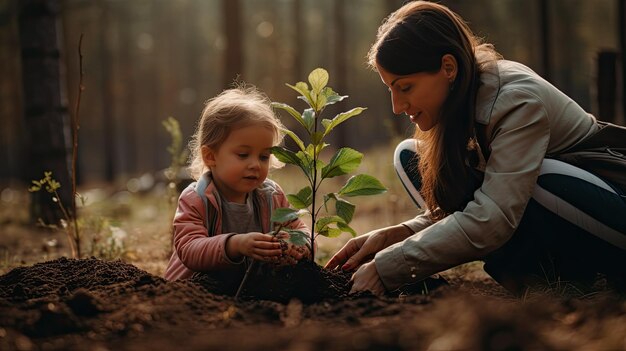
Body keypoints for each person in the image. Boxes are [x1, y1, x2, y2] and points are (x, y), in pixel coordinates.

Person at [325, 1, 626, 295]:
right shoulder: (458, 97)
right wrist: (399, 235)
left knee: (542, 176)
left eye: (405, 88)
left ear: (448, 67)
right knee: (411, 157)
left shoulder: (516, 101)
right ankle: (542, 280)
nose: (397, 106)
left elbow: (493, 215)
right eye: (390, 89)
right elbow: (483, 196)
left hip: (609, 205)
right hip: (548, 212)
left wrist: (386, 267)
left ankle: (579, 276)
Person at [164, 86, 310, 286]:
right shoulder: (197, 198)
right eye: (243, 155)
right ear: (211, 156)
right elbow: (189, 249)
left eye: (264, 156)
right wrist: (234, 245)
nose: (255, 164)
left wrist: (298, 244)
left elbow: (302, 231)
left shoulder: (272, 196)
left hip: (249, 294)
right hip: (193, 292)